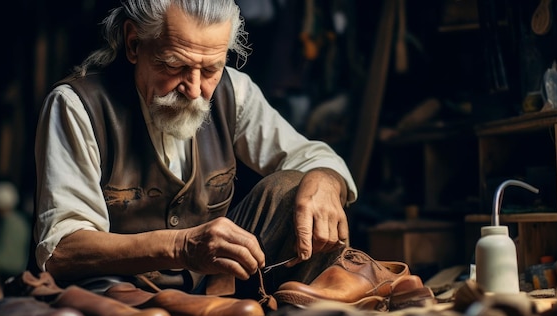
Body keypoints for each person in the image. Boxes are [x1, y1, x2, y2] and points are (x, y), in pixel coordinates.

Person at [31, 0, 358, 300]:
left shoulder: (233, 92)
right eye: (174, 66)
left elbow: (312, 155)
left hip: (212, 293)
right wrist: (182, 246)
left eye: (211, 69)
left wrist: (327, 179)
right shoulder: (77, 106)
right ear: (133, 43)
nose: (194, 89)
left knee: (295, 187)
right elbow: (62, 250)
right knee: (105, 293)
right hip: (112, 295)